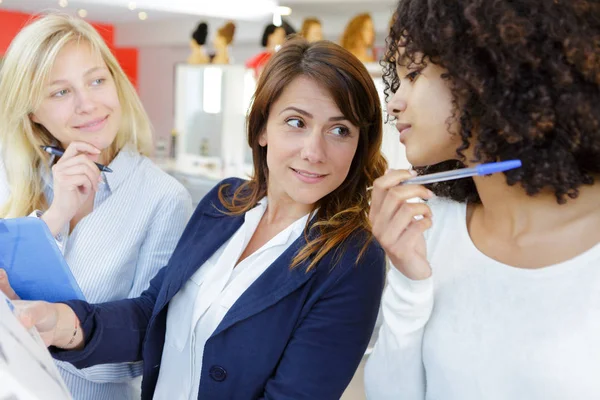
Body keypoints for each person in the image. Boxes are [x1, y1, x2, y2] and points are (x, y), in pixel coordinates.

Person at [9, 38, 388, 399]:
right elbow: (150, 314)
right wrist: (62, 323)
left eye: (340, 130)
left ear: (359, 145)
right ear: (261, 129)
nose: (314, 151)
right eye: (296, 122)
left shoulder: (353, 260)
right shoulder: (225, 201)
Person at [364, 0, 600, 399]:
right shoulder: (430, 227)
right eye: (397, 80)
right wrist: (408, 278)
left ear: (484, 69)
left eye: (415, 73)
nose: (393, 103)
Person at [0, 13, 192, 400]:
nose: (88, 104)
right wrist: (56, 216)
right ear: (33, 113)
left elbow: (143, 352)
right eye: (60, 92)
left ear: (116, 84)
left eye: (96, 80)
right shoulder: (17, 177)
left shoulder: (163, 199)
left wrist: (60, 330)